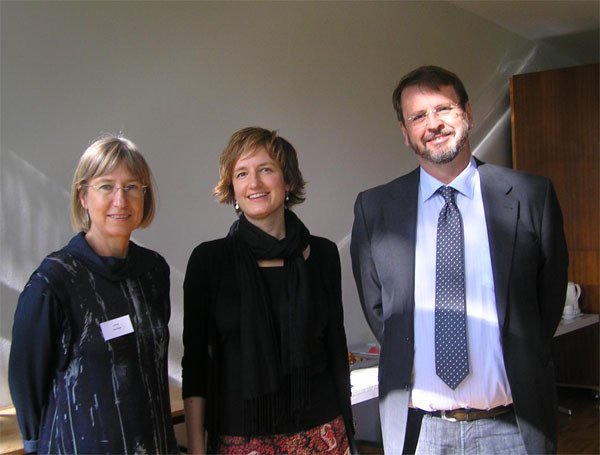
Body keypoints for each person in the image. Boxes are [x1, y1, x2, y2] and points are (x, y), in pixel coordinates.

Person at [350, 66, 568, 454]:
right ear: (405, 132)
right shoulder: (375, 209)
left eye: (443, 109)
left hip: (514, 428)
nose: (432, 124)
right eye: (418, 116)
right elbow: (382, 313)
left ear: (467, 112)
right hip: (422, 433)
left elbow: (545, 305)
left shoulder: (531, 196)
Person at [182, 127, 355, 454]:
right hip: (241, 439)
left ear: (287, 181)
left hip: (323, 433)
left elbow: (336, 351)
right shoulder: (209, 261)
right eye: (242, 173)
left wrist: (349, 429)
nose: (255, 183)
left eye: (266, 170)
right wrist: (195, 448)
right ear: (232, 188)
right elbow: (196, 367)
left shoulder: (322, 254)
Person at [9, 135, 179, 454]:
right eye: (106, 186)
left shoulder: (154, 272)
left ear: (145, 195)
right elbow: (25, 381)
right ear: (83, 196)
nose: (120, 200)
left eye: (131, 187)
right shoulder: (53, 281)